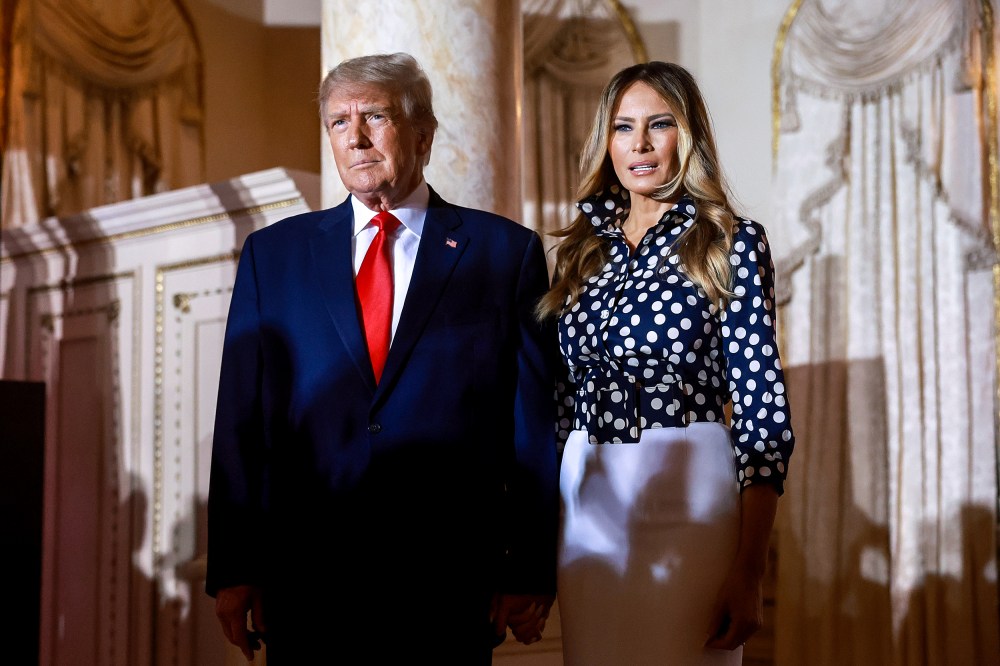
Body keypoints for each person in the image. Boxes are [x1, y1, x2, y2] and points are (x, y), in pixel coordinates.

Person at [206, 52, 559, 664]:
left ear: (423, 133)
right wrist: (236, 567)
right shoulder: (274, 256)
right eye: (340, 122)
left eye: (375, 116)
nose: (357, 137)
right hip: (308, 583)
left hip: (446, 586)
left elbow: (531, 426)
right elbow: (243, 423)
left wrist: (529, 567)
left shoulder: (505, 254)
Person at [536, 61, 795, 665]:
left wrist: (751, 570)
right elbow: (557, 406)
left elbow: (762, 411)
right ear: (607, 141)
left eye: (660, 125)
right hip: (587, 503)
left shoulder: (729, 240)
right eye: (624, 128)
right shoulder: (578, 251)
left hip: (689, 494)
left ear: (689, 135)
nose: (641, 145)